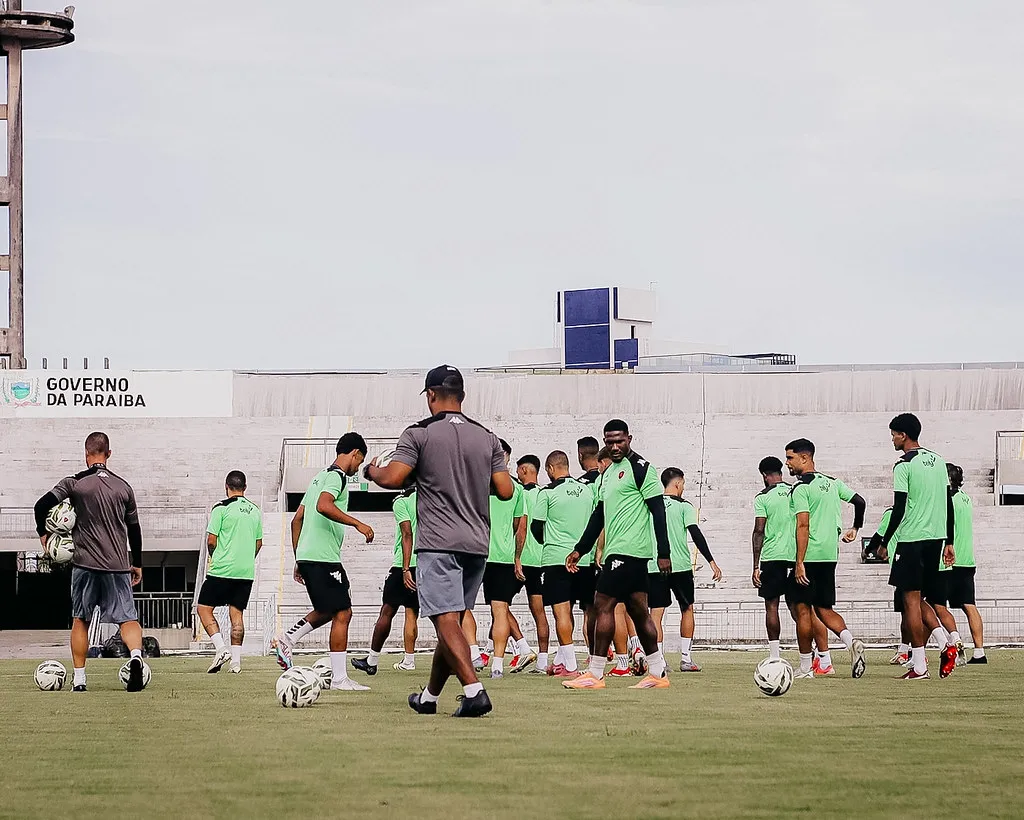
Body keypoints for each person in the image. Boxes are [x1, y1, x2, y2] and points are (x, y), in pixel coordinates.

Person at [367, 364, 513, 718]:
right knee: (452, 621)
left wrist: (370, 470)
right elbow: (506, 490)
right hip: (477, 543)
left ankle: (474, 690)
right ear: (461, 395)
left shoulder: (419, 433)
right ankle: (430, 697)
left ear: (430, 395)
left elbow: (393, 477)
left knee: (445, 620)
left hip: (438, 542)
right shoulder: (487, 436)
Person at [563, 419, 672, 690]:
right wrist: (580, 548)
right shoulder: (608, 474)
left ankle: (596, 673)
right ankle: (658, 672)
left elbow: (658, 510)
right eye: (609, 442)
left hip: (629, 550)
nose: (614, 446)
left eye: (619, 441)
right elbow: (598, 515)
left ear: (629, 439)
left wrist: (664, 552)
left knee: (601, 605)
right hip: (617, 551)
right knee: (638, 611)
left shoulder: (642, 469)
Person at [34, 432, 146, 693]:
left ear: (86, 455)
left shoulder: (74, 483)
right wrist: (137, 563)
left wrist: (44, 534)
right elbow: (135, 529)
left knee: (80, 620)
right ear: (108, 454)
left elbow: (41, 506)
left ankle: (81, 680)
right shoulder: (123, 486)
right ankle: (137, 657)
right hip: (118, 565)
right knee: (127, 619)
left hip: (85, 564)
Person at [273, 433, 374, 692]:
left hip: (310, 556)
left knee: (330, 609)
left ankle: (288, 638)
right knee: (343, 612)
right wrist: (358, 523)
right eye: (360, 461)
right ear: (354, 453)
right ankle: (339, 679)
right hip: (323, 557)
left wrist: (299, 558)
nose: (358, 467)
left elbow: (297, 520)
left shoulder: (318, 477)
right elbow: (323, 506)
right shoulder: (336, 477)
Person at [879, 413, 957, 680]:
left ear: (903, 435)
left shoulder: (903, 465)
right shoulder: (938, 461)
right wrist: (950, 541)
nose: (891, 439)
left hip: (912, 539)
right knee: (921, 598)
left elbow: (899, 508)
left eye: (893, 434)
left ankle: (921, 665)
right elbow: (948, 504)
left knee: (910, 600)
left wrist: (883, 540)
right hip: (936, 539)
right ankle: (942, 641)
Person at [785, 438, 867, 680]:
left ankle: (805, 667)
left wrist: (799, 562)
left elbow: (803, 524)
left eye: (790, 458)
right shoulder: (832, 483)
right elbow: (859, 501)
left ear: (804, 458)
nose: (787, 463)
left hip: (809, 556)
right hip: (829, 555)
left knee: (801, 610)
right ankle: (851, 642)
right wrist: (856, 528)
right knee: (823, 609)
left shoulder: (801, 488)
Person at [648, 468, 721, 672]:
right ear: (678, 484)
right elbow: (695, 533)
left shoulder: (651, 506)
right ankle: (686, 659)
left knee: (656, 613)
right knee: (687, 609)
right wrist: (711, 561)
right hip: (679, 565)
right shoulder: (684, 506)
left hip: (654, 565)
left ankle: (659, 661)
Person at [532, 450, 596, 678]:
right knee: (587, 612)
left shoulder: (548, 492)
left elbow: (536, 527)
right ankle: (566, 660)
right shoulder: (588, 491)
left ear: (550, 469)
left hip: (556, 558)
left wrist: (548, 541)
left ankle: (570, 665)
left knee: (562, 613)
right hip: (584, 558)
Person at [197, 470, 263, 674]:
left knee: (203, 608)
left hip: (222, 569)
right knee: (237, 614)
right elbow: (258, 543)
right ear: (245, 488)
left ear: (226, 487)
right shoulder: (255, 510)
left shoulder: (221, 508)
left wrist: (213, 556)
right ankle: (236, 663)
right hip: (245, 571)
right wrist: (245, 560)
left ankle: (221, 649)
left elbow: (211, 540)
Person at [352, 486, 420, 675]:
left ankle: (372, 660)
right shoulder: (428, 497)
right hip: (424, 563)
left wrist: (405, 568)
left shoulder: (401, 500)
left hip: (403, 566)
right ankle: (409, 660)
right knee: (413, 614)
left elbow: (407, 533)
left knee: (387, 612)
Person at [482, 439, 532, 678]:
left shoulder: (478, 483)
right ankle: (497, 664)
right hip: (501, 556)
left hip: (476, 554)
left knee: (462, 608)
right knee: (500, 610)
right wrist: (517, 557)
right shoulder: (516, 490)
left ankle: (473, 653)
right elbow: (519, 528)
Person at [752, 457, 795, 662]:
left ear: (764, 475)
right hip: (797, 557)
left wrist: (755, 566)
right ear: (781, 472)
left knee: (772, 606)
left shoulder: (763, 497)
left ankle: (775, 655)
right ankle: (813, 655)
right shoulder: (796, 491)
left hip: (772, 557)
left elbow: (759, 530)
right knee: (801, 608)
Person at [514, 454, 551, 674]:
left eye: (518, 470)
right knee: (540, 612)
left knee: (499, 605)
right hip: (542, 560)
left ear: (526, 470)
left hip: (524, 559)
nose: (517, 474)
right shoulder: (545, 493)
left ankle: (520, 646)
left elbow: (522, 527)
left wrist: (516, 557)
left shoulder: (522, 494)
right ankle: (543, 660)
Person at [946, 463, 985, 664]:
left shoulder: (948, 500)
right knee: (970, 605)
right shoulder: (966, 498)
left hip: (950, 560)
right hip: (968, 559)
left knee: (933, 605)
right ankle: (979, 652)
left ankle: (914, 652)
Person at [868, 507, 913, 667]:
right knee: (914, 610)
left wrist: (868, 550)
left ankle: (914, 651)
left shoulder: (891, 514)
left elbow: (879, 536)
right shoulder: (911, 512)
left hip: (901, 565)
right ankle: (905, 650)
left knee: (909, 612)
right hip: (916, 564)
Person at [573, 437, 602, 654]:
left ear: (581, 455)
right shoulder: (609, 480)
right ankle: (632, 649)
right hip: (615, 552)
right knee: (620, 608)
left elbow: (595, 520)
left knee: (588, 610)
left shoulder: (581, 486)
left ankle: (594, 655)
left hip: (589, 556)